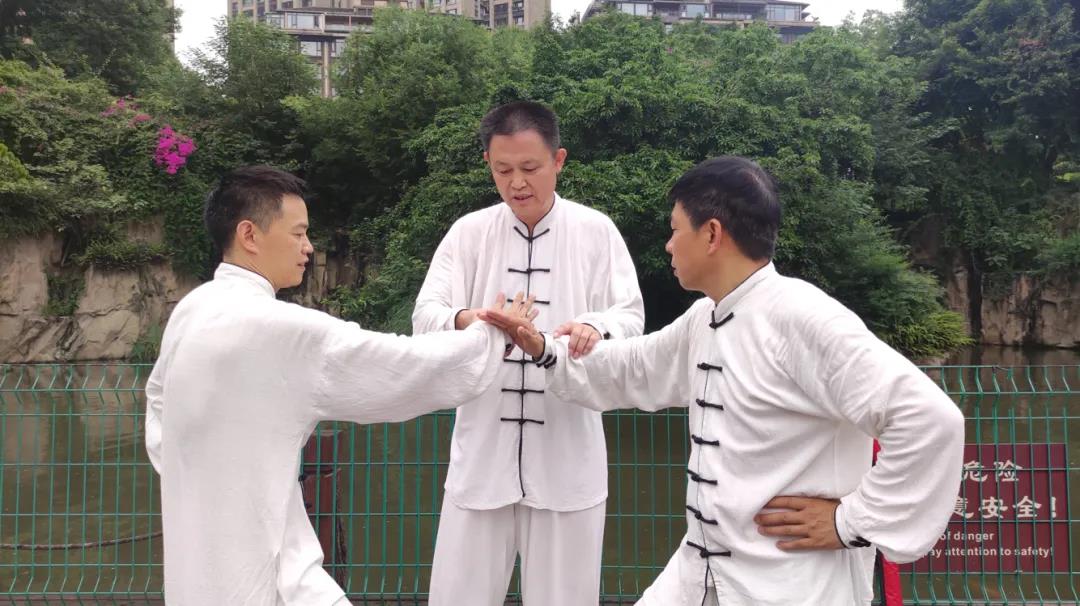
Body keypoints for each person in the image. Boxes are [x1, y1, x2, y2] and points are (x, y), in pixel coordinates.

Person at [498, 156, 966, 605]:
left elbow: (930, 420)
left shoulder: (804, 317)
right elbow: (636, 366)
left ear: (712, 234)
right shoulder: (706, 315)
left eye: (675, 229)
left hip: (791, 582)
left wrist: (851, 522)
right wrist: (543, 348)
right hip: (702, 567)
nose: (668, 245)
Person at [144, 165, 537, 606]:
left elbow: (158, 406)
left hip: (198, 569)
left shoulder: (193, 310)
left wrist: (209, 480)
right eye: (298, 233)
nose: (308, 247)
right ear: (249, 235)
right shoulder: (276, 328)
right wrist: (491, 337)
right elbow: (401, 367)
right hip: (272, 575)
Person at [413, 100, 645, 606]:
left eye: (530, 167)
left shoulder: (596, 230)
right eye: (503, 170)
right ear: (488, 165)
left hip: (568, 453)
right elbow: (425, 317)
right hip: (481, 454)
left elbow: (630, 317)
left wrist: (593, 327)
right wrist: (474, 320)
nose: (517, 183)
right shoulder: (469, 233)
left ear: (558, 160)